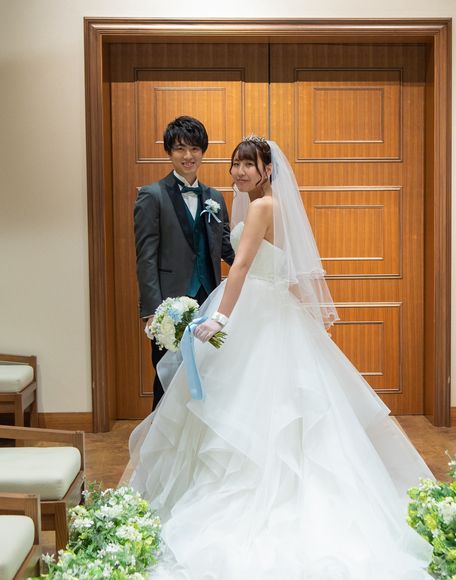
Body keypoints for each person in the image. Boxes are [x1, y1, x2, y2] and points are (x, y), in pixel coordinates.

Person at [130, 137, 434, 579]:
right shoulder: (271, 206)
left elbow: (241, 267)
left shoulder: (260, 207)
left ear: (267, 169)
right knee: (279, 406)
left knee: (245, 406)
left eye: (248, 165)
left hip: (253, 314)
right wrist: (305, 309)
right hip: (271, 311)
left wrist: (220, 318)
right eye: (235, 164)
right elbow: (281, 267)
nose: (238, 172)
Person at [134, 116, 235, 410]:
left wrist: (260, 265)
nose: (188, 156)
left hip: (209, 302)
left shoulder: (215, 198)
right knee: (167, 380)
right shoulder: (152, 195)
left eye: (194, 148)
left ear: (203, 151)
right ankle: (160, 439)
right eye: (180, 148)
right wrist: (152, 312)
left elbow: (226, 248)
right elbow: (146, 257)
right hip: (169, 307)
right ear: (169, 152)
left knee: (207, 377)